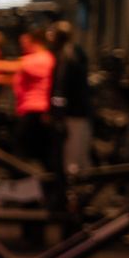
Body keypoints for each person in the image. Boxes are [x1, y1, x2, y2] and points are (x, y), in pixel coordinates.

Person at [0, 26, 57, 169]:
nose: (22, 45)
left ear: (34, 41)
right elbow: (17, 78)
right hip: (29, 109)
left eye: (25, 42)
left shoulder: (42, 58)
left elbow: (14, 66)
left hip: (36, 110)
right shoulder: (34, 59)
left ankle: (29, 181)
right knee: (27, 147)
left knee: (23, 146)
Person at [49, 22, 94, 174]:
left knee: (74, 151)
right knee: (76, 150)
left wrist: (57, 108)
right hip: (75, 110)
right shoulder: (70, 53)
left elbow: (62, 87)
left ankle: (76, 186)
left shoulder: (68, 56)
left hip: (75, 111)